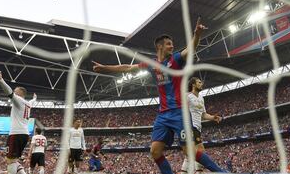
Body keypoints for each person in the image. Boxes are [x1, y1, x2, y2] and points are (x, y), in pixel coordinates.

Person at [93, 18, 226, 174]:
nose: (172, 46)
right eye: (169, 43)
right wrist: (106, 68)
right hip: (163, 115)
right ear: (159, 46)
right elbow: (128, 67)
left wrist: (196, 35)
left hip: (179, 112)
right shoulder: (152, 65)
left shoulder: (176, 59)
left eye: (172, 44)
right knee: (155, 151)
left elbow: (190, 49)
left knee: (189, 152)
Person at [0, 69, 37, 174]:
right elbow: (32, 101)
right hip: (24, 134)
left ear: (20, 93)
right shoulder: (28, 104)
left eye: (16, 91)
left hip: (16, 134)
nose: (14, 92)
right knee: (14, 159)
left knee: (10, 160)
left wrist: (1, 80)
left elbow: (9, 92)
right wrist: (35, 98)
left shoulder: (19, 100)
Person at [181, 77, 224, 173]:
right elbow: (182, 111)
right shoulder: (187, 96)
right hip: (190, 127)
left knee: (190, 154)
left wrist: (213, 117)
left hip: (197, 128)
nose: (201, 84)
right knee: (201, 151)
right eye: (199, 82)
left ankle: (184, 172)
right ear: (193, 84)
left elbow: (203, 114)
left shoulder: (201, 98)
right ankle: (199, 171)